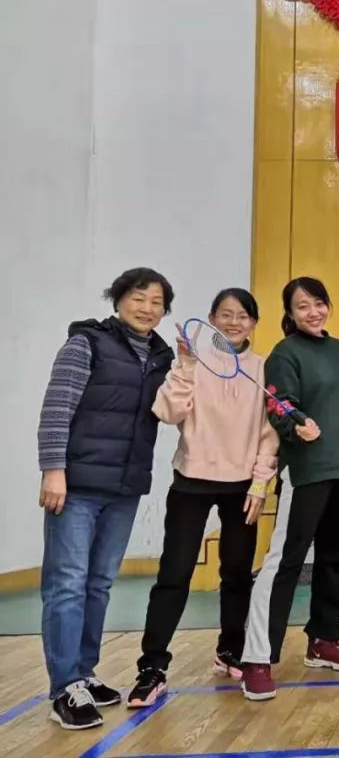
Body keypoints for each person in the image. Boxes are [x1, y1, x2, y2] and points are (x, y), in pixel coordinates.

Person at [37, 267, 176, 729]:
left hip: (124, 487)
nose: (146, 308)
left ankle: (84, 672)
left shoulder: (161, 356)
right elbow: (57, 407)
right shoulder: (86, 343)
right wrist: (53, 470)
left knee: (98, 584)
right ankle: (64, 687)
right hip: (75, 485)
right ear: (118, 300)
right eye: (138, 298)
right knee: (67, 583)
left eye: (156, 302)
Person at [126, 288, 278, 708]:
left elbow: (268, 434)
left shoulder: (263, 368)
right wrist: (186, 365)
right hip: (191, 481)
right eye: (225, 314)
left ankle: (230, 649)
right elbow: (167, 412)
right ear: (212, 319)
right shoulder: (192, 362)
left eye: (243, 315)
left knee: (237, 574)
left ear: (254, 323)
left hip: (242, 487)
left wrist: (260, 483)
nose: (234, 322)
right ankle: (152, 667)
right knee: (174, 575)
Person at [239, 277, 339, 701]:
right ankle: (257, 658)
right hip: (307, 471)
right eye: (302, 306)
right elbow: (278, 403)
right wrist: (296, 424)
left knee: (334, 558)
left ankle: (323, 640)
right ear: (290, 313)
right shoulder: (285, 353)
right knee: (285, 561)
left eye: (319, 303)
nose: (313, 312)